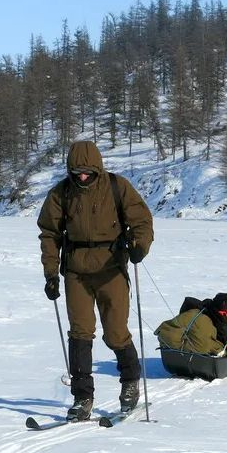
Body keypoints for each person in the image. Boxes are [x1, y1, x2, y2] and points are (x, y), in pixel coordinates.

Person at [37, 140, 154, 421]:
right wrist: (51, 274)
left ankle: (129, 384)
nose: (82, 176)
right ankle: (82, 397)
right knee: (80, 333)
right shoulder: (61, 193)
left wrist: (140, 246)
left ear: (98, 168)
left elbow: (141, 221)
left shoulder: (117, 186)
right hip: (76, 271)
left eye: (88, 171)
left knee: (115, 332)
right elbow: (49, 234)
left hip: (111, 268)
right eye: (77, 172)